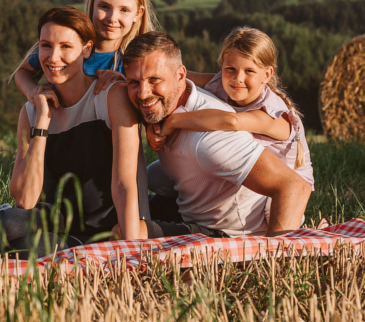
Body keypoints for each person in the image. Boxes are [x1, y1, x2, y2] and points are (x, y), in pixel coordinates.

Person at [0, 7, 149, 258]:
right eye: (46, 45)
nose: (53, 57)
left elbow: (124, 184)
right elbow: (25, 199)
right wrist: (42, 121)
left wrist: (131, 251)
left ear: (87, 49)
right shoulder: (31, 113)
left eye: (66, 46)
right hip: (49, 220)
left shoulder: (110, 98)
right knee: (0, 228)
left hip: (100, 230)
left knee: (27, 251)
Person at [123, 32, 311, 238]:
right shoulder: (216, 85)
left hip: (232, 230)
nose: (142, 93)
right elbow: (178, 74)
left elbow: (293, 186)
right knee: (118, 212)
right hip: (196, 202)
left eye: (154, 80)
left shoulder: (236, 129)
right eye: (134, 82)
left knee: (128, 231)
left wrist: (275, 258)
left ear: (267, 74)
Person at [149, 26, 314, 190]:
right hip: (245, 173)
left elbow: (232, 121)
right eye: (231, 69)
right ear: (222, 65)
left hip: (280, 190)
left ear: (267, 74)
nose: (238, 78)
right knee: (153, 175)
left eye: (249, 71)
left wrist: (171, 122)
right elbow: (176, 76)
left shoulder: (273, 115)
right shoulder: (219, 83)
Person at [11, 0, 158, 107]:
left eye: (124, 10)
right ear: (92, 4)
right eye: (104, 7)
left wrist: (125, 84)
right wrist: (32, 91)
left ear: (138, 14)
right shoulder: (66, 41)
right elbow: (23, 71)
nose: (112, 18)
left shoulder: (136, 61)